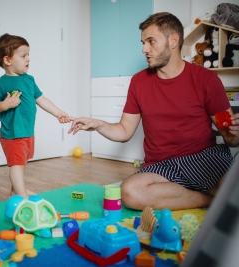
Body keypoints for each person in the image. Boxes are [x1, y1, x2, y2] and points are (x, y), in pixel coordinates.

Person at [68, 12, 239, 210]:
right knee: (130, 192)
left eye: (151, 41)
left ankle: (192, 195)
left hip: (203, 158)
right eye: (143, 42)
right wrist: (98, 124)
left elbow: (230, 136)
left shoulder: (207, 80)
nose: (144, 49)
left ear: (173, 40)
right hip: (161, 166)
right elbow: (124, 131)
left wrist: (234, 133)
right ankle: (211, 201)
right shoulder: (139, 82)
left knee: (234, 184)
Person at [0, 33, 70, 198]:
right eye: (23, 56)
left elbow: (41, 99)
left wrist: (58, 113)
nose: (28, 59)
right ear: (7, 60)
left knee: (21, 162)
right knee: (17, 165)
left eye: (28, 55)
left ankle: (15, 191)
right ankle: (21, 193)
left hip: (27, 131)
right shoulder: (1, 84)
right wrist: (4, 105)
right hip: (13, 133)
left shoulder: (29, 80)